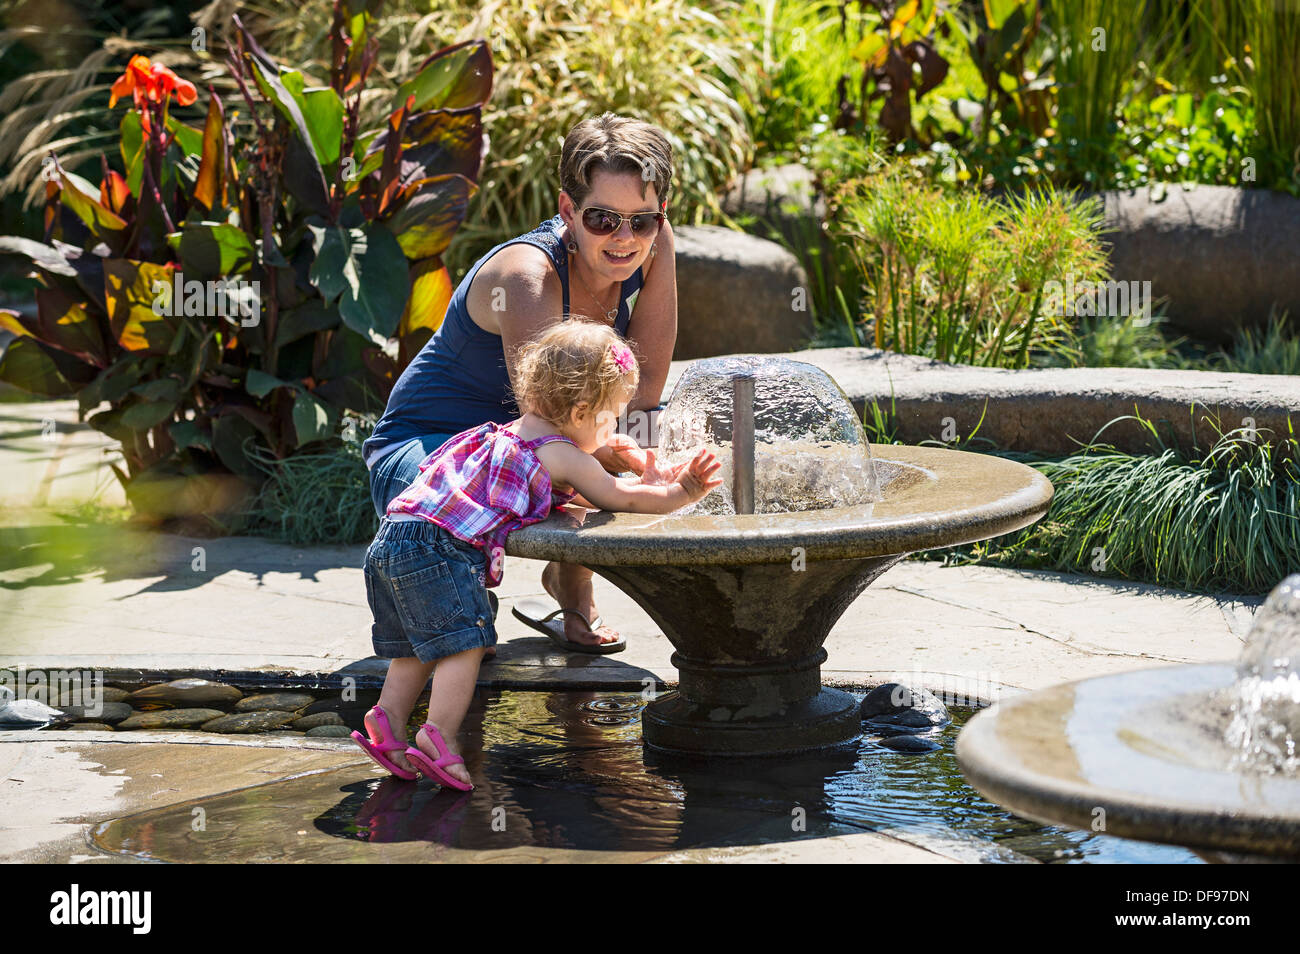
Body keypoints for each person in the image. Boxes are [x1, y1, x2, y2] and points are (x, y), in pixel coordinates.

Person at [351, 322, 721, 789]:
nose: (614, 431)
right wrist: (680, 490)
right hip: (440, 550)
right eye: (612, 418)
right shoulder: (563, 453)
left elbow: (584, 493)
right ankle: (438, 739)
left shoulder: (505, 433)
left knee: (416, 648)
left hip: (393, 537)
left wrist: (635, 469)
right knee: (464, 645)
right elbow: (616, 499)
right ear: (583, 411)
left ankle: (387, 722)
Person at [364, 112, 678, 654]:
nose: (625, 238)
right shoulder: (527, 275)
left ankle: (566, 584)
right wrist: (630, 466)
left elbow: (643, 389)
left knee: (633, 430)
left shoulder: (647, 250)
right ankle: (466, 597)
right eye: (603, 219)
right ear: (568, 210)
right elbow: (552, 422)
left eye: (643, 221)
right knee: (463, 647)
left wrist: (665, 252)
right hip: (424, 453)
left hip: (516, 443)